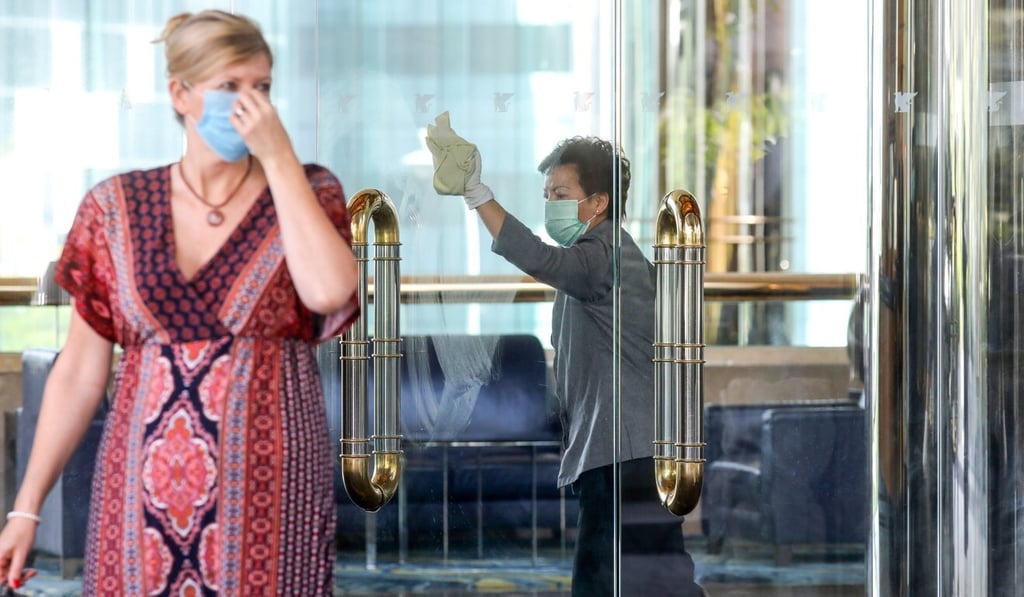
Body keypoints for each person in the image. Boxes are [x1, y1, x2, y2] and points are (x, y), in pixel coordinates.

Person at [0, 10, 358, 595]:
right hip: (137, 496)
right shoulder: (113, 209)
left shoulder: (309, 190)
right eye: (230, 87)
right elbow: (80, 374)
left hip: (269, 492)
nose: (252, 105)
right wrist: (25, 509)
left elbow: (327, 291)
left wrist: (279, 159)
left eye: (263, 87)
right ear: (181, 94)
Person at [426, 116, 704, 596]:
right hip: (623, 450)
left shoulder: (606, 254)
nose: (550, 204)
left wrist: (478, 194)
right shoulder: (600, 254)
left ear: (598, 202)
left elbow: (538, 258)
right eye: (547, 195)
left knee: (609, 582)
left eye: (560, 193)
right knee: (653, 578)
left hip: (626, 454)